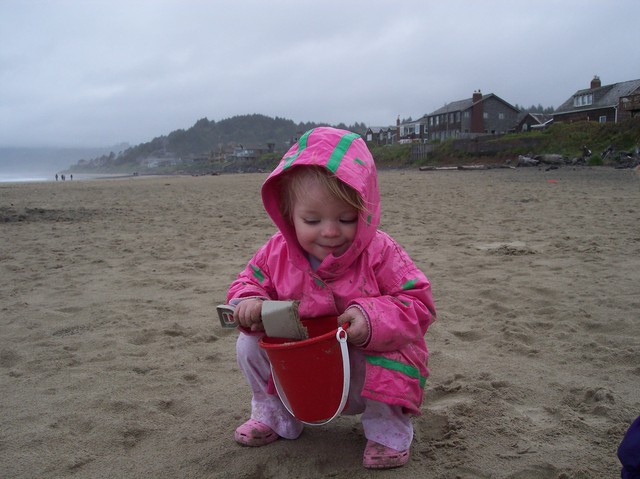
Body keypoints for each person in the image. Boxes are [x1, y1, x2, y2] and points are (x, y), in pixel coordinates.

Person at [226, 126, 436, 469]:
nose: (330, 231)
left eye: (346, 218)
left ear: (365, 211)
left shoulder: (380, 251)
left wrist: (370, 320)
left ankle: (387, 430)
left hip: (358, 364)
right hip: (300, 365)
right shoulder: (277, 252)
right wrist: (248, 301)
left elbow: (418, 303)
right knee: (247, 344)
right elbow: (248, 281)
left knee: (393, 344)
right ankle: (276, 416)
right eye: (312, 219)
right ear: (288, 214)